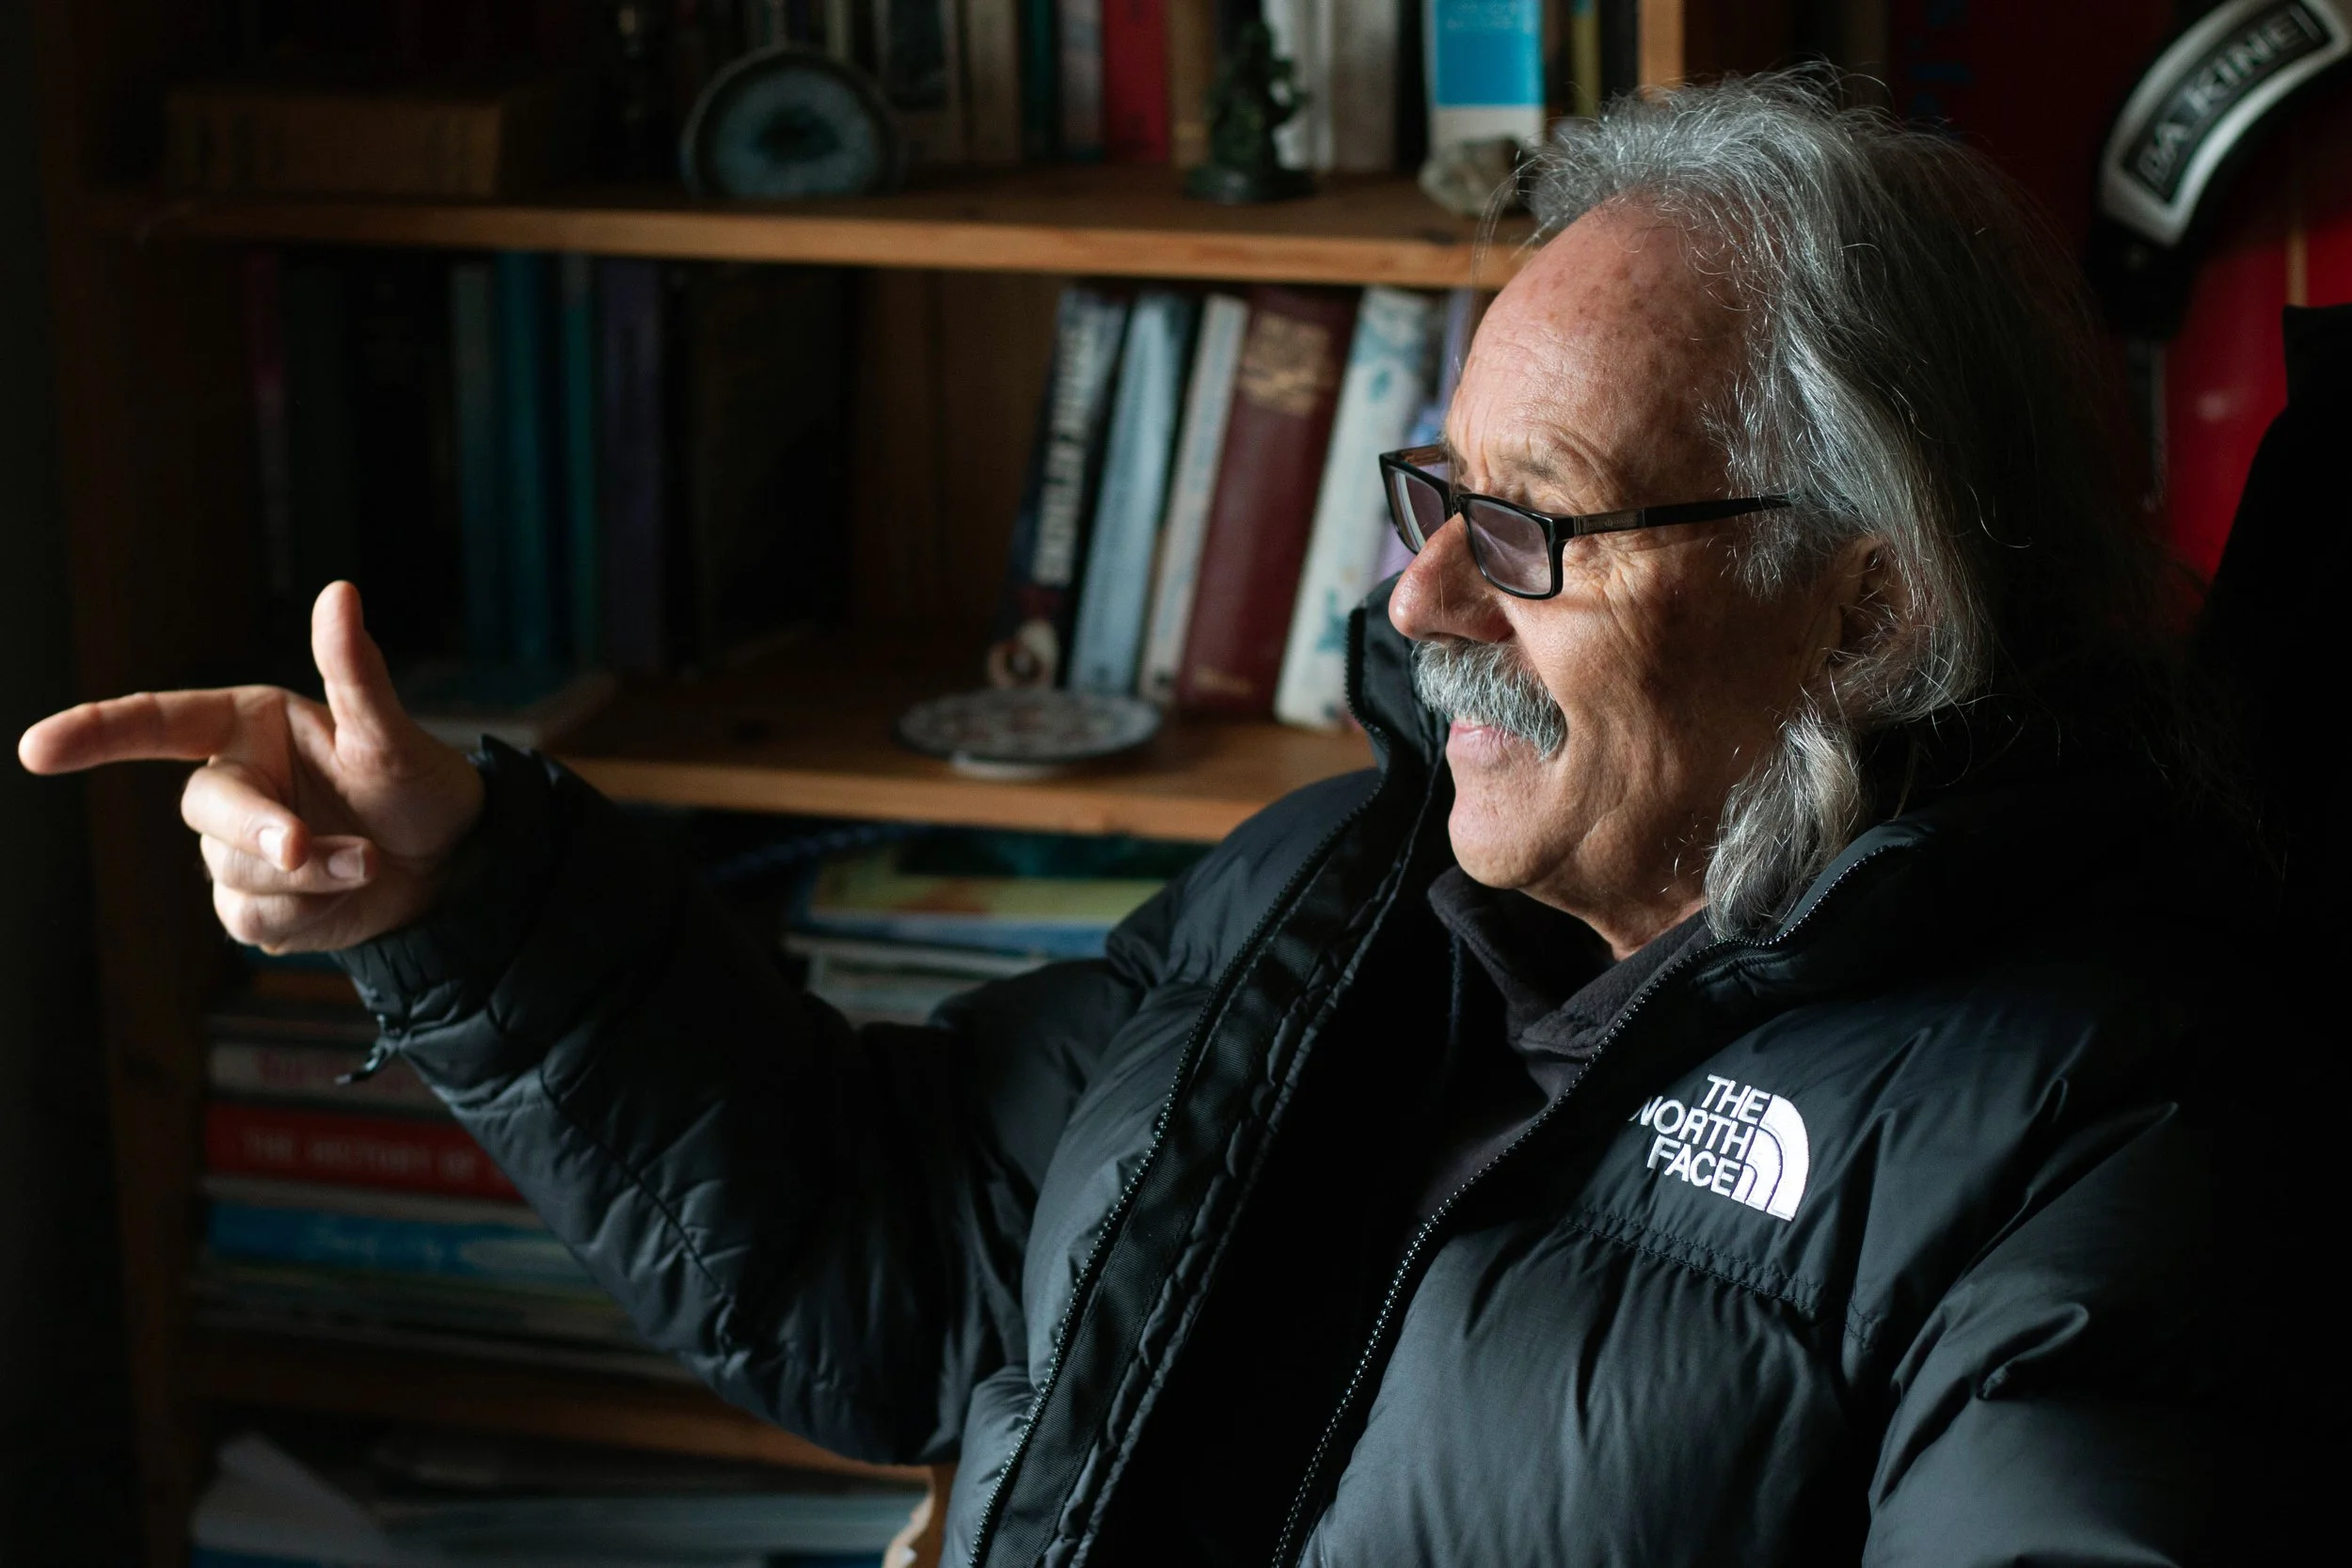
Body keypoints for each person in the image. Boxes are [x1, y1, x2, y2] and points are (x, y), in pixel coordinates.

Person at [22, 75, 2240, 1565]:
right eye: (1432, 491)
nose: (1417, 598)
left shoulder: (2111, 1123)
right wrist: (459, 892)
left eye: (1532, 528)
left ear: (1869, 607)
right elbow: (887, 1254)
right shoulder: (1337, 884)